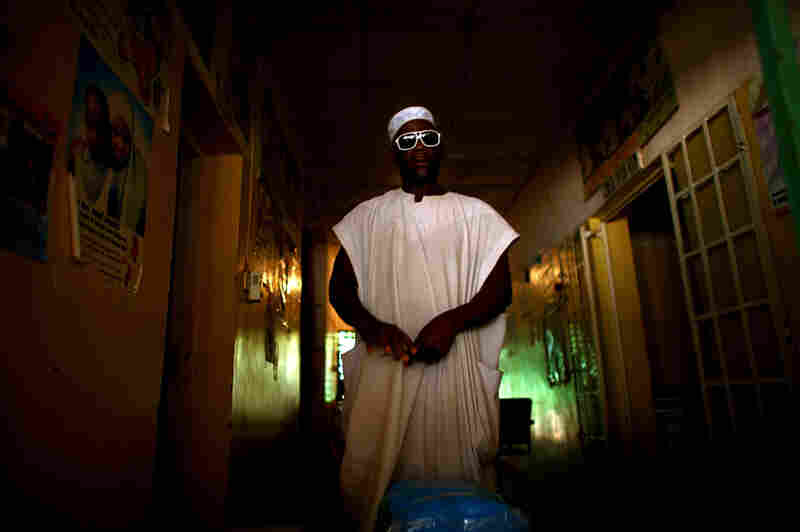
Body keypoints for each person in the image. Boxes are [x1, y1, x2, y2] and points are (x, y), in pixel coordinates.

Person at [329, 106, 519, 531]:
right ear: (394, 153)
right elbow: (340, 291)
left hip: (455, 376)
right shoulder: (366, 217)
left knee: (461, 496)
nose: (419, 148)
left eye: (428, 139)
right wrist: (375, 328)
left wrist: (453, 321)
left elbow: (500, 291)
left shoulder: (477, 215)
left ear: (441, 148)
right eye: (407, 141)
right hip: (385, 375)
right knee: (377, 493)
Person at [106, 91, 148, 237]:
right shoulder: (107, 169)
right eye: (112, 133)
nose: (116, 142)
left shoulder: (140, 175)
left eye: (120, 134)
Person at [68, 84, 112, 206]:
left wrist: (83, 154)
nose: (91, 107)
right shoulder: (81, 129)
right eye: (89, 102)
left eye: (95, 103)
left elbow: (94, 187)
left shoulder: (106, 139)